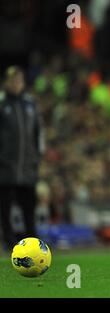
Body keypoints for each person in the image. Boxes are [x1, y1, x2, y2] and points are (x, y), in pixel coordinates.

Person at [0, 66, 44, 250]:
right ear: (6, 83)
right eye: (13, 80)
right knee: (5, 204)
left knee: (29, 203)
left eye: (19, 80)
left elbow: (38, 133)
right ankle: (8, 239)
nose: (16, 84)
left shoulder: (30, 104)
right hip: (5, 165)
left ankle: (32, 238)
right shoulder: (2, 104)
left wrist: (37, 156)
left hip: (27, 165)